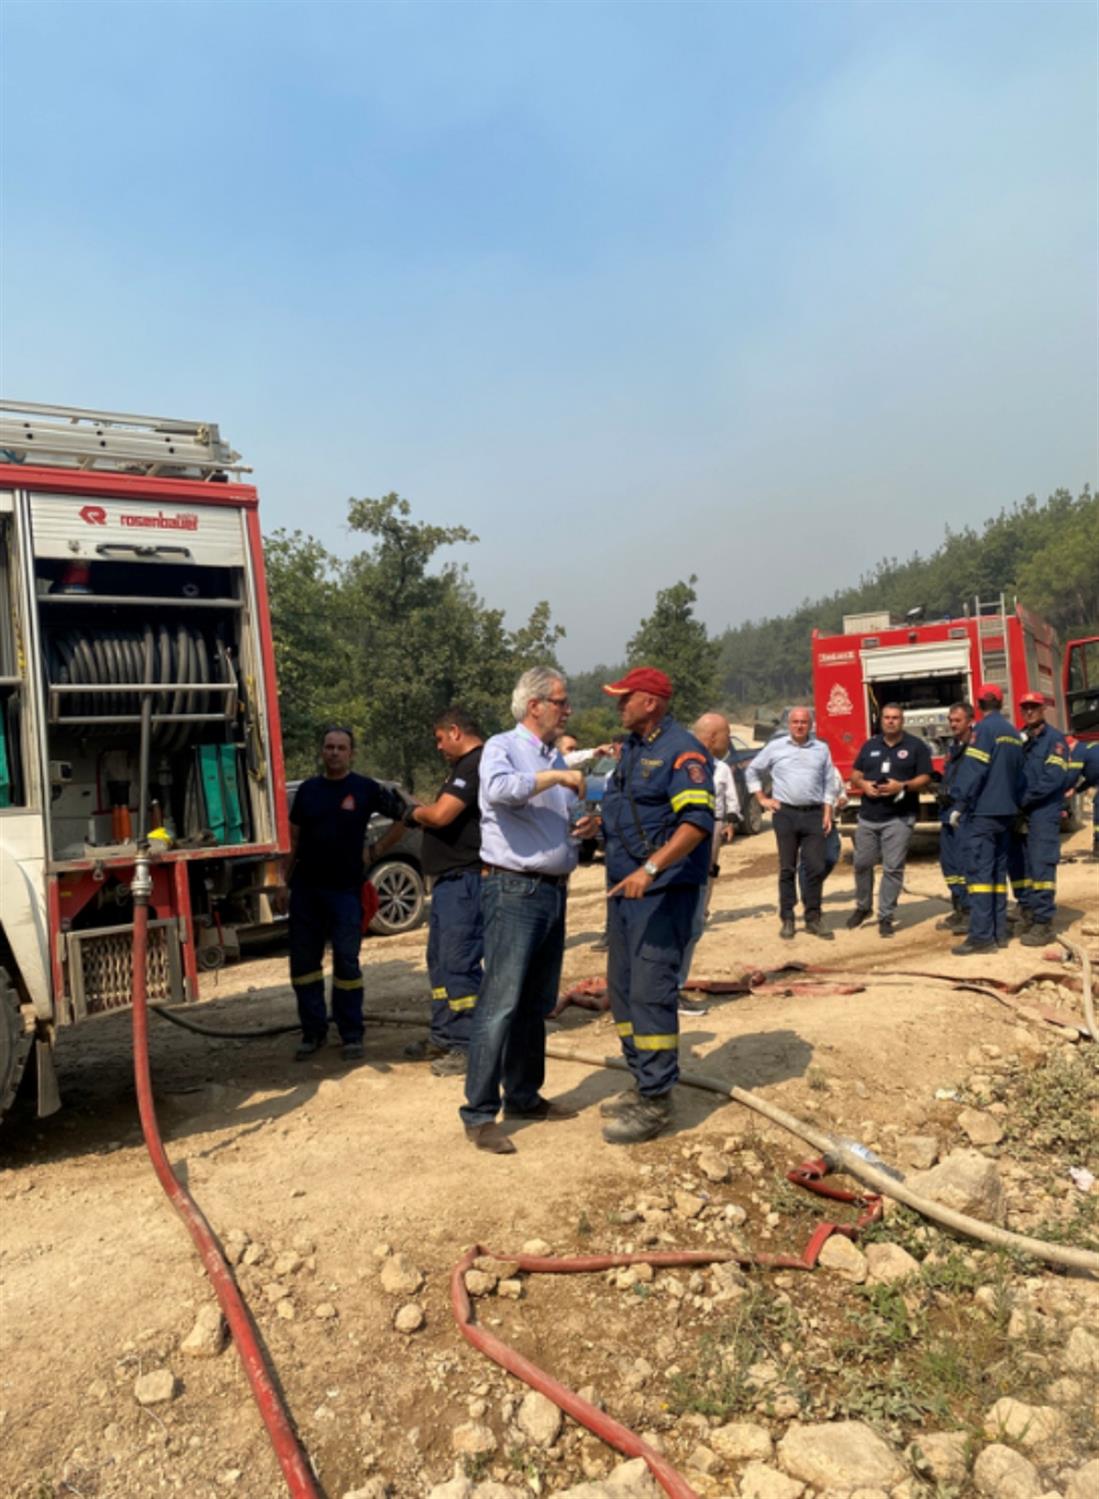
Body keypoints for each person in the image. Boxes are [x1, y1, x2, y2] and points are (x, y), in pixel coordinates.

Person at [459, 667, 595, 1154]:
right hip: (514, 890)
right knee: (500, 1003)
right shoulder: (503, 747)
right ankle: (479, 1114)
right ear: (534, 705)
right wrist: (557, 776)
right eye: (561, 702)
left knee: (534, 1003)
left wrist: (583, 829)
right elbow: (499, 790)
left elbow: (555, 820)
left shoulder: (549, 756)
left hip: (552, 891)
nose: (568, 710)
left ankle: (523, 1095)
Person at [599, 667, 714, 1144]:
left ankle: (657, 1100)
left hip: (661, 893)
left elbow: (697, 822)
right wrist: (595, 828)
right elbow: (631, 809)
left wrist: (649, 869)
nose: (618, 705)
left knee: (650, 991)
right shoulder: (633, 749)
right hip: (624, 892)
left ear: (650, 702)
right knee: (623, 990)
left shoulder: (682, 751)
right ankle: (642, 1079)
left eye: (624, 697)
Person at [282, 726, 407, 1061]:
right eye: (329, 747)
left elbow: (407, 815)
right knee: (304, 964)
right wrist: (282, 881)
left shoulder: (365, 789)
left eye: (341, 747)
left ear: (352, 753)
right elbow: (293, 840)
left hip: (346, 891)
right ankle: (313, 1032)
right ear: (322, 751)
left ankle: (351, 1034)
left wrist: (377, 849)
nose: (334, 752)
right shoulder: (308, 790)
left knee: (347, 963)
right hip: (306, 890)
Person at [404, 706, 485, 1075]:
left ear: (455, 731)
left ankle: (468, 1046)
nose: (438, 747)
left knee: (459, 964)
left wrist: (413, 812)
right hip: (449, 882)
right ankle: (444, 1035)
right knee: (439, 962)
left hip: (466, 880)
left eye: (439, 739)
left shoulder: (475, 765)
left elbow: (440, 815)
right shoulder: (462, 767)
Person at [745, 707, 837, 939]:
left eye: (804, 722)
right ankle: (787, 918)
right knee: (787, 868)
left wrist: (828, 811)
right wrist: (762, 799)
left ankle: (813, 917)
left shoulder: (821, 749)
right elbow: (752, 771)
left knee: (816, 867)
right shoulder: (775, 747)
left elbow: (829, 782)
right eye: (795, 722)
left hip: (814, 814)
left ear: (811, 725)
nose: (799, 726)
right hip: (785, 814)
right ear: (788, 724)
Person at [949, 683, 1024, 956]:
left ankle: (981, 937)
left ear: (979, 706)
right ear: (1001, 703)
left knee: (980, 875)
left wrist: (959, 802)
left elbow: (975, 769)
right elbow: (1020, 775)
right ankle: (999, 933)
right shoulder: (1013, 733)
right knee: (997, 875)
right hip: (1007, 813)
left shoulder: (982, 731)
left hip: (983, 813)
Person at [847, 704, 932, 938]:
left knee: (892, 868)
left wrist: (901, 786)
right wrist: (864, 785)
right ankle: (863, 907)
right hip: (868, 816)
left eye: (895, 718)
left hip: (899, 817)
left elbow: (925, 777)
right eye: (887, 718)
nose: (891, 721)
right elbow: (855, 774)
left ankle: (885, 916)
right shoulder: (870, 745)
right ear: (881, 720)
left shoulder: (916, 746)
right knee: (862, 864)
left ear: (902, 721)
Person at [677, 711, 740, 1015]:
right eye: (727, 734)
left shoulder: (717, 767)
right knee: (685, 924)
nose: (729, 740)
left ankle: (673, 986)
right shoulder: (686, 765)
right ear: (713, 736)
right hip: (685, 849)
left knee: (695, 921)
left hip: (705, 839)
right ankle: (669, 991)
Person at [1014, 692, 1071, 947]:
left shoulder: (1055, 740)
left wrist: (1024, 799)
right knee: (1021, 865)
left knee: (1041, 865)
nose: (1029, 712)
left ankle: (1043, 921)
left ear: (1042, 709)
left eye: (1034, 707)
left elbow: (1053, 778)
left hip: (1043, 811)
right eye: (1025, 707)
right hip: (1021, 811)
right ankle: (1028, 911)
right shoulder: (1019, 739)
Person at [936, 702, 975, 934]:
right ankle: (958, 906)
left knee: (964, 863)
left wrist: (960, 806)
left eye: (957, 720)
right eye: (950, 720)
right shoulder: (954, 747)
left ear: (970, 721)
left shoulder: (975, 747)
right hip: (947, 812)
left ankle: (970, 911)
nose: (952, 724)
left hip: (964, 814)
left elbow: (973, 781)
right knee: (949, 863)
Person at [799, 763, 847, 911]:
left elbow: (842, 792)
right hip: (809, 821)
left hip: (829, 823)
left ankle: (812, 885)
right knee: (809, 862)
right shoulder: (802, 771)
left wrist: (842, 800)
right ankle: (809, 898)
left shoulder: (833, 771)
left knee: (831, 856)